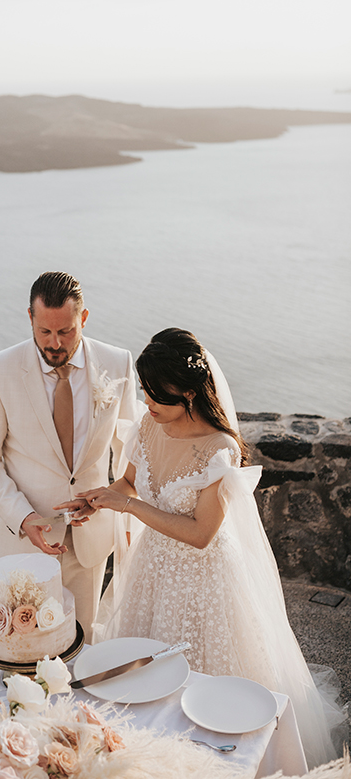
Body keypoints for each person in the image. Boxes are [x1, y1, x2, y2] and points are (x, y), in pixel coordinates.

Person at [58, 328, 347, 768]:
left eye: (158, 395)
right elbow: (130, 483)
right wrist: (97, 500)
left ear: (189, 393)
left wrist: (129, 506)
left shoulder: (219, 449)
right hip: (155, 567)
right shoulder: (149, 426)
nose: (147, 402)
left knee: (208, 690)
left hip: (204, 577)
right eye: (145, 391)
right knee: (146, 682)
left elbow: (200, 533)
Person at [0, 271, 139, 641]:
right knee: (21, 648)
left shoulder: (118, 362)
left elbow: (131, 447)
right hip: (22, 542)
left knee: (84, 644)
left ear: (84, 318)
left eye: (66, 331)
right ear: (30, 317)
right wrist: (22, 517)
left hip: (89, 540)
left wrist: (114, 500)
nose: (55, 343)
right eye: (45, 332)